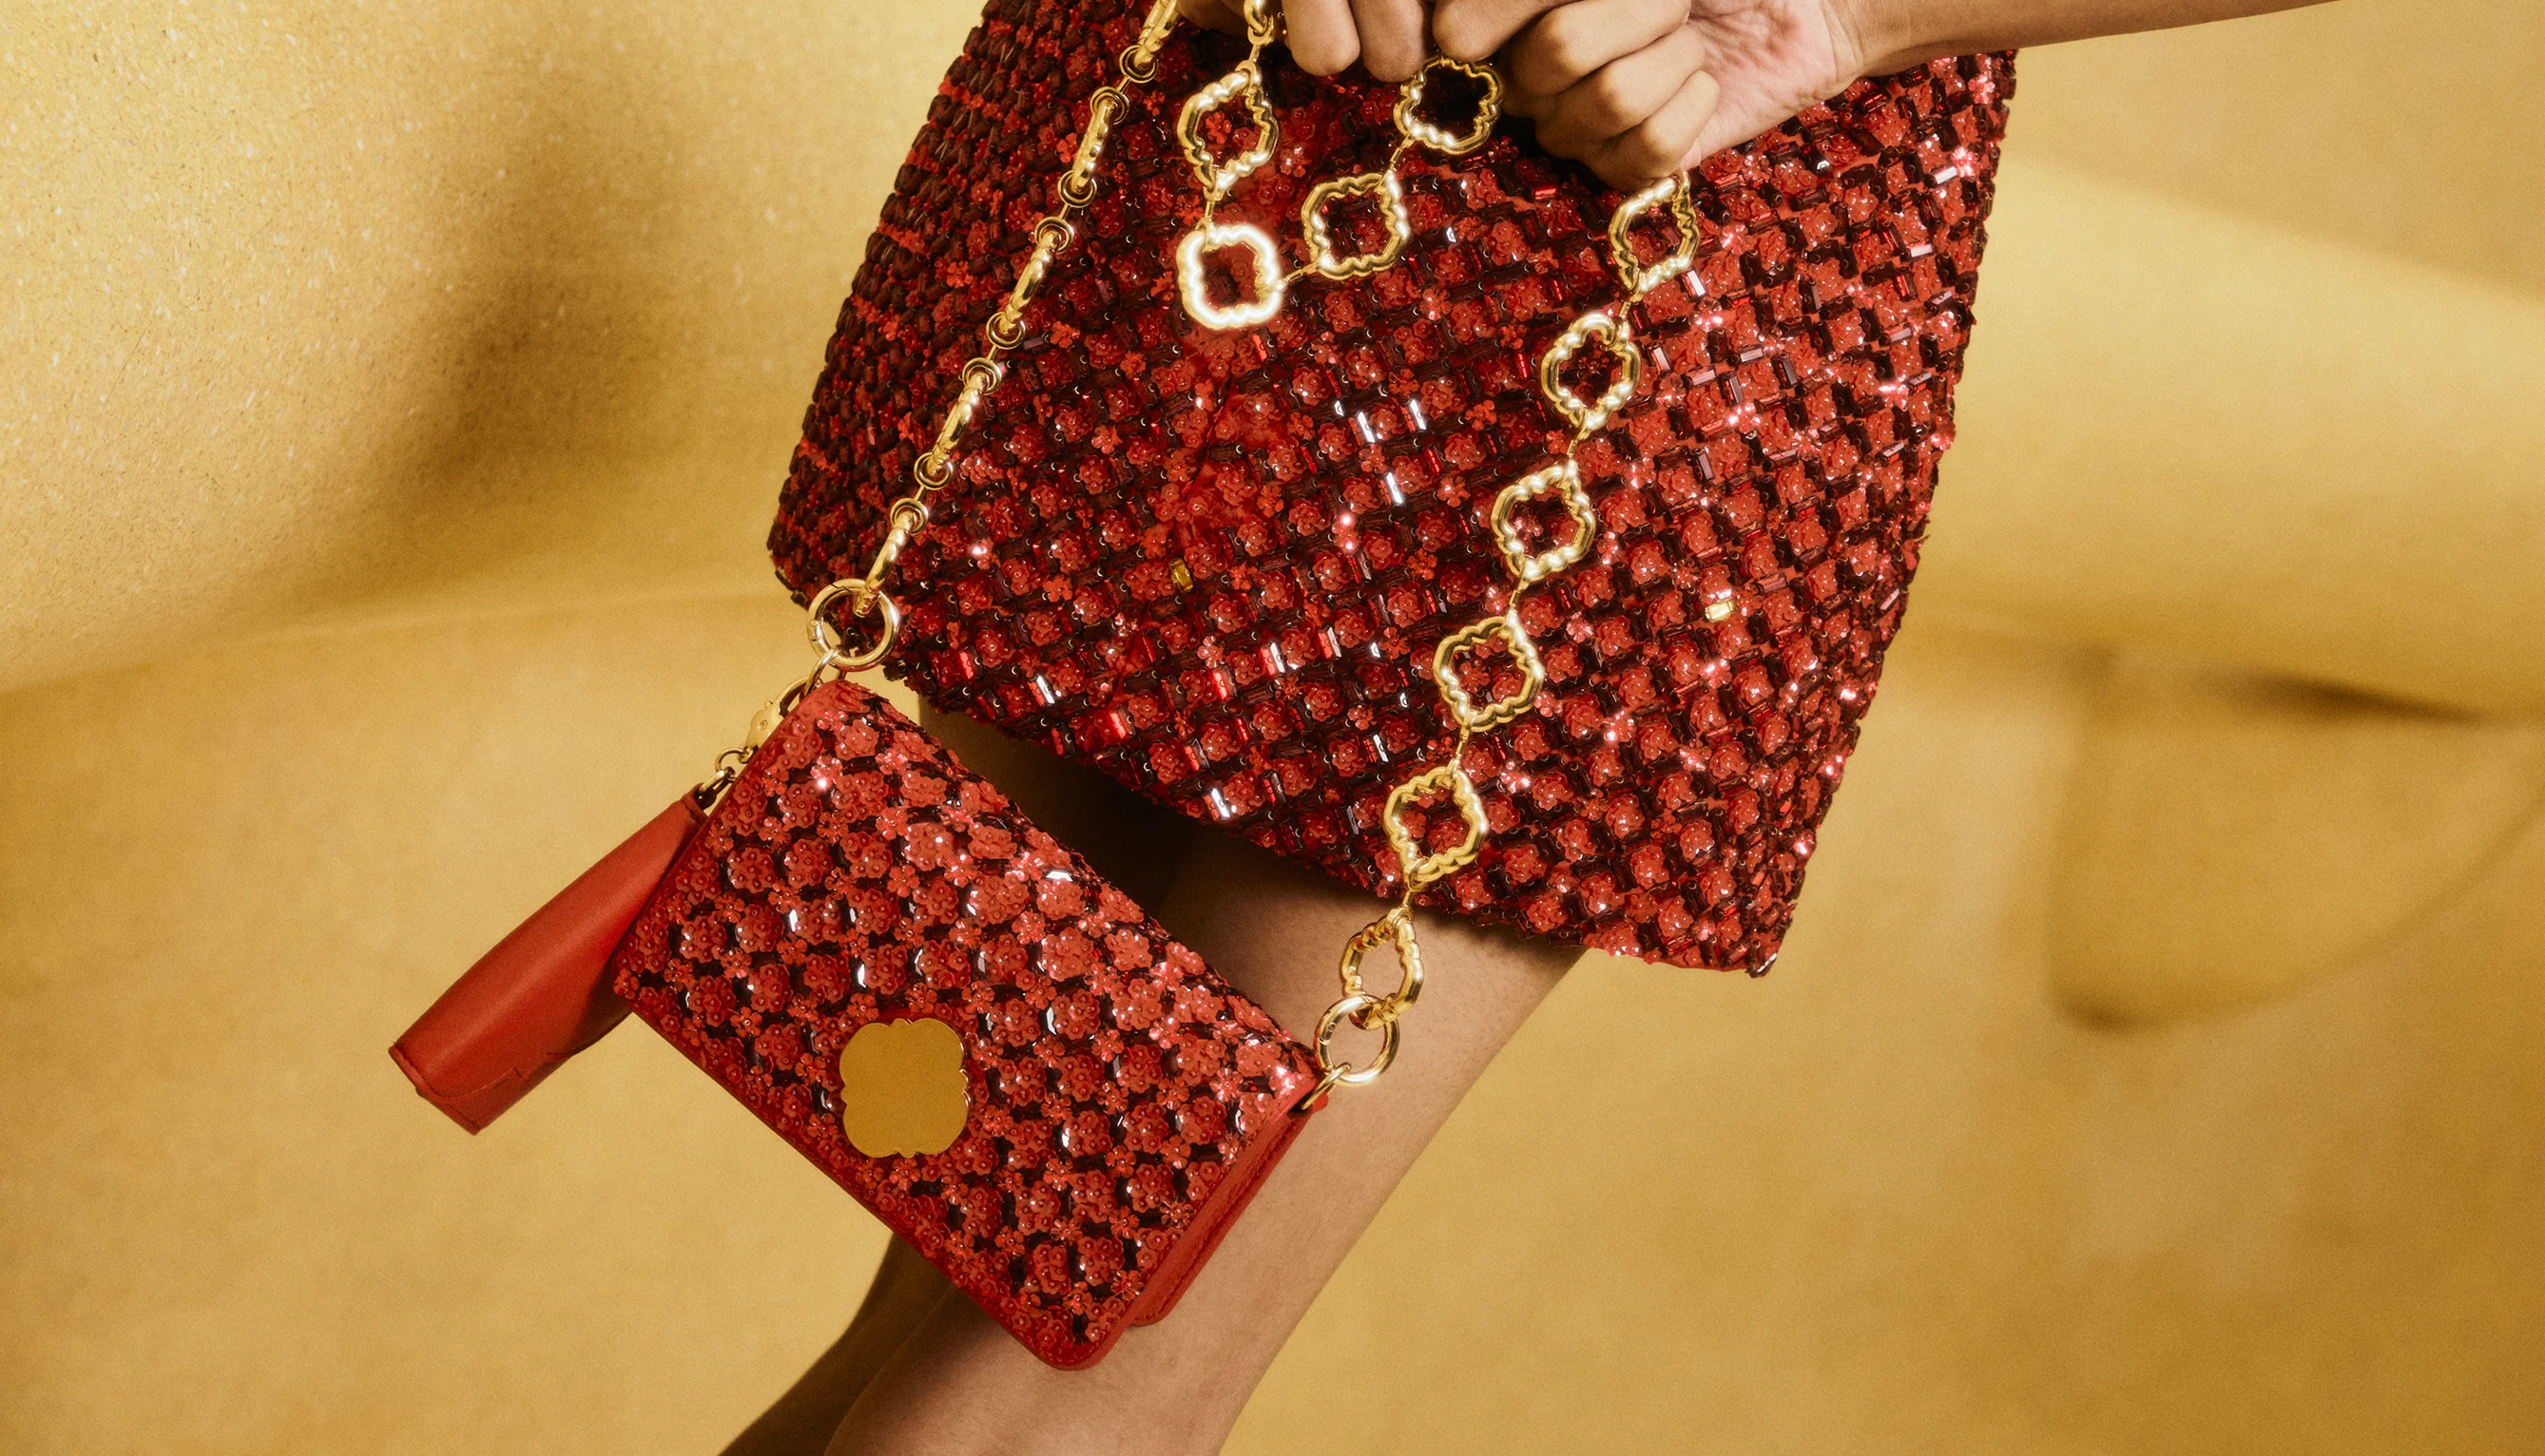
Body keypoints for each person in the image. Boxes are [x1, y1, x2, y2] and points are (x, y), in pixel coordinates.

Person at [735, 0, 2316, 1451]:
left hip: (1656, 220)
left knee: (1045, 1382)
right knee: (972, 1312)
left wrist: (1828, 12)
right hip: (1199, 131)